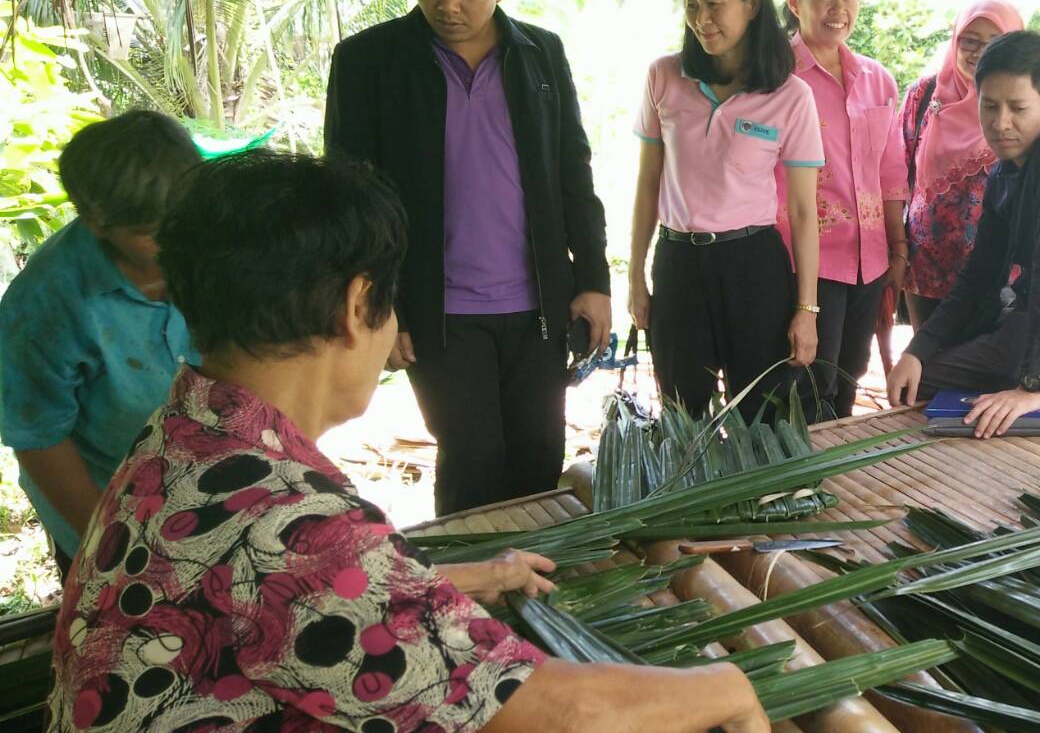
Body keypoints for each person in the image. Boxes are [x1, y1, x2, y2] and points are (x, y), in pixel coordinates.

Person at [47, 151, 768, 733]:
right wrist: (724, 685)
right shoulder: (296, 532)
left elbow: (265, 608)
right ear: (359, 306)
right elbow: (559, 714)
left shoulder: (184, 434)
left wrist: (450, 583)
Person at [324, 0, 612, 517]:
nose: (447, 6)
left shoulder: (540, 55)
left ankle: (537, 599)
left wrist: (592, 278)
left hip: (538, 304)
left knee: (538, 457)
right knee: (473, 463)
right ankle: (468, 600)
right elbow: (349, 201)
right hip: (436, 310)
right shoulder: (368, 63)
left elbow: (573, 171)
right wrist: (380, 306)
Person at [887, 32, 1040, 438]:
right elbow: (979, 278)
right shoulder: (1007, 169)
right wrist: (918, 350)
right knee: (919, 375)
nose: (1000, 123)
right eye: (989, 106)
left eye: (1017, 108)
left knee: (931, 384)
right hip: (1036, 325)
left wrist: (1034, 384)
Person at [0, 110, 201, 577]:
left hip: (208, 490)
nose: (179, 239)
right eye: (151, 232)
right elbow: (40, 439)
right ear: (96, 222)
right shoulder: (45, 306)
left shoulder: (214, 238)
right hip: (106, 503)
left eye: (185, 218)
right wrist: (111, 548)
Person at [629, 0, 824, 420]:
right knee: (681, 414)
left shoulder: (791, 96)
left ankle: (761, 498)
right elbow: (647, 182)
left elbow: (803, 211)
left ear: (752, 3)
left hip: (753, 266)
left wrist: (807, 310)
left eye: (714, 3)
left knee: (762, 417)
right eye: (692, 5)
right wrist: (636, 274)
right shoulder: (664, 77)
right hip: (678, 265)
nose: (701, 19)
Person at [778, 0, 909, 419]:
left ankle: (836, 485)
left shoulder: (877, 79)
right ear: (796, 2)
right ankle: (802, 485)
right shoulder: (775, 78)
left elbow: (891, 173)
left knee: (851, 375)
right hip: (806, 261)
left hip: (869, 261)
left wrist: (897, 249)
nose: (840, 9)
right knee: (810, 383)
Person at [898, 0, 1026, 330]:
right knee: (927, 370)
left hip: (997, 273)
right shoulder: (924, 95)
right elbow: (896, 174)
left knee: (983, 372)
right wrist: (895, 248)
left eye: (994, 42)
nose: (978, 52)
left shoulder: (1022, 105)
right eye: (969, 40)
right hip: (925, 268)